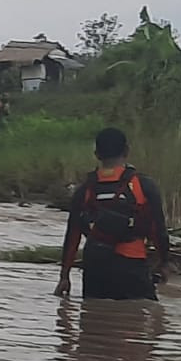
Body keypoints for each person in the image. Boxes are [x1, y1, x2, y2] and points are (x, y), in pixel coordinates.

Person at [55, 127, 171, 301]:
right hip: (132, 264)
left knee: (93, 320)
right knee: (139, 316)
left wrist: (65, 276)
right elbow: (158, 230)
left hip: (95, 267)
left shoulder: (85, 189)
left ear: (97, 154)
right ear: (126, 151)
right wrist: (164, 263)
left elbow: (73, 235)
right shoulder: (144, 185)